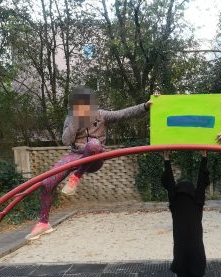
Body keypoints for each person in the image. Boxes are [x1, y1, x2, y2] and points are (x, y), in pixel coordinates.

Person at [26, 87, 152, 240]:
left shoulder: (101, 115)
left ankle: (75, 178)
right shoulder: (72, 118)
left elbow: (123, 114)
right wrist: (75, 121)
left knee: (93, 144)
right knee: (47, 182)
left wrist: (145, 106)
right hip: (76, 155)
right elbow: (66, 141)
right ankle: (43, 222)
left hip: (95, 156)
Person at [162, 150, 209, 277]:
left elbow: (199, 184)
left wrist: (204, 158)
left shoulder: (197, 203)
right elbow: (172, 185)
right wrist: (166, 159)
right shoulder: (175, 204)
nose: (182, 189)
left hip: (195, 251)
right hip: (181, 251)